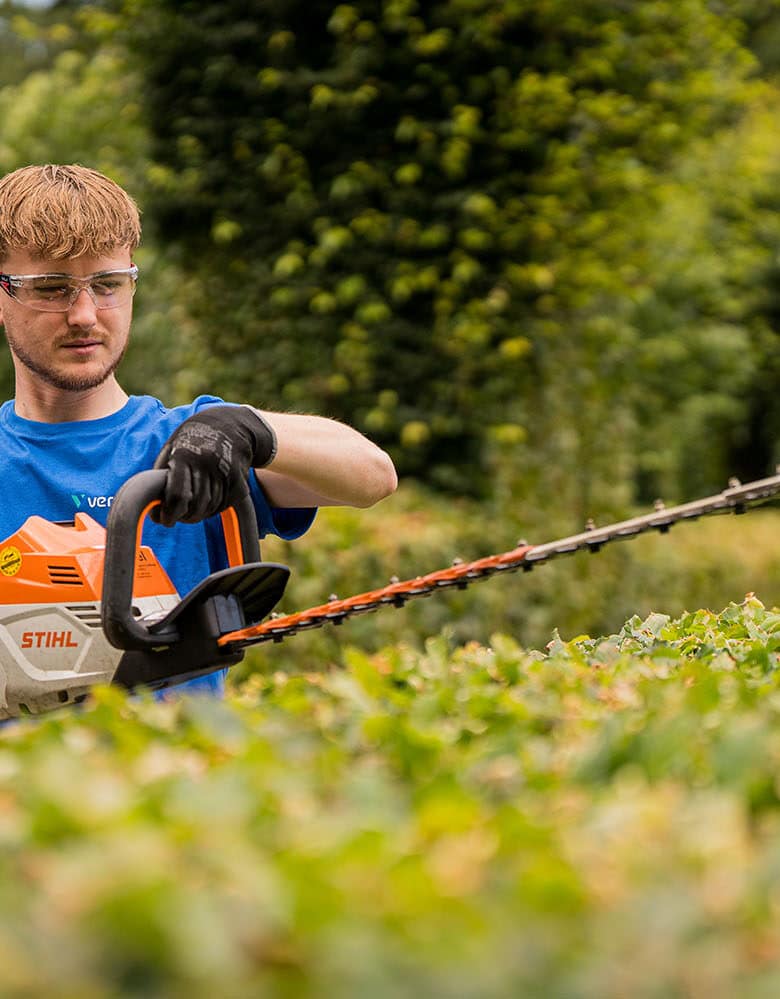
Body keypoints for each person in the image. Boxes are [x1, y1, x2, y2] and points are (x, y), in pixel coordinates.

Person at [0, 163, 398, 695]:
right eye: (52, 288)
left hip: (186, 767)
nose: (85, 315)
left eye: (108, 285)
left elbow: (373, 476)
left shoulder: (189, 441)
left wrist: (244, 430)